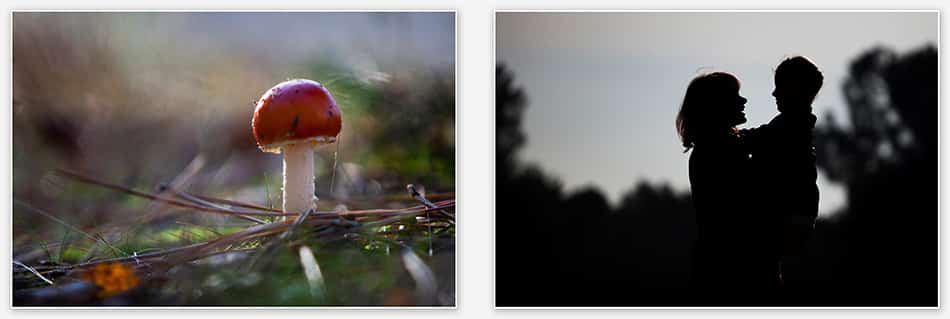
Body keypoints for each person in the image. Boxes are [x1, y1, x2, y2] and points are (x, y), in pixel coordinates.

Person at [676, 72, 778, 305]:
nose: (743, 101)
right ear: (715, 106)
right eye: (735, 96)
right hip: (734, 271)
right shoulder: (720, 151)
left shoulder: (712, 148)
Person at [740, 56, 822, 301]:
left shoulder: (790, 126)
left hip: (789, 217)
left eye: (780, 86)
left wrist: (735, 138)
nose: (774, 93)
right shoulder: (796, 125)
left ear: (795, 89)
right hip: (797, 216)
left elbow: (759, 138)